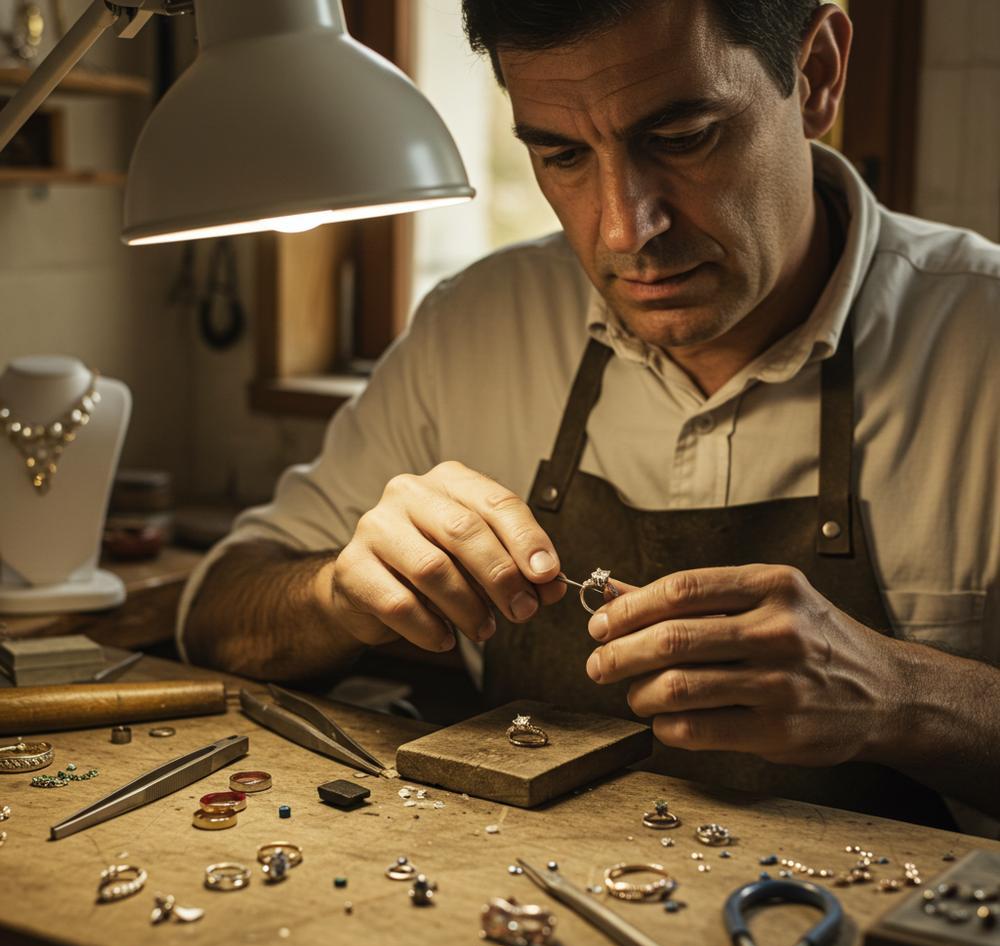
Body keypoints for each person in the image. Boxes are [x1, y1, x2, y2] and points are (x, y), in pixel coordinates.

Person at [180, 0, 1000, 833]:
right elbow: (217, 620)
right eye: (563, 155)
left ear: (817, 73)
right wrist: (337, 597)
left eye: (682, 138)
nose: (624, 230)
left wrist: (905, 698)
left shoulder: (983, 346)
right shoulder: (476, 325)